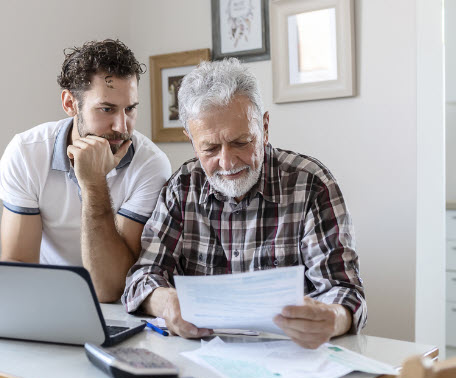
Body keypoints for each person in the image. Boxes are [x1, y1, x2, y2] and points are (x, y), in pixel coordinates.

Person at [122, 59, 366, 349]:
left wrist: (334, 317)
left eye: (241, 142)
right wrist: (166, 302)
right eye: (210, 148)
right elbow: (141, 278)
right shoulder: (182, 187)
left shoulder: (310, 184)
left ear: (264, 126)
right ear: (190, 139)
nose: (227, 162)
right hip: (202, 358)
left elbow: (345, 291)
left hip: (290, 359)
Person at [0, 39, 171, 302]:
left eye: (130, 109)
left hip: (117, 309)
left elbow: (111, 288)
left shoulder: (151, 165)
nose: (122, 126)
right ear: (70, 103)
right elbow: (19, 262)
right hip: (44, 300)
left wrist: (93, 183)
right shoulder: (26, 152)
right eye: (106, 109)